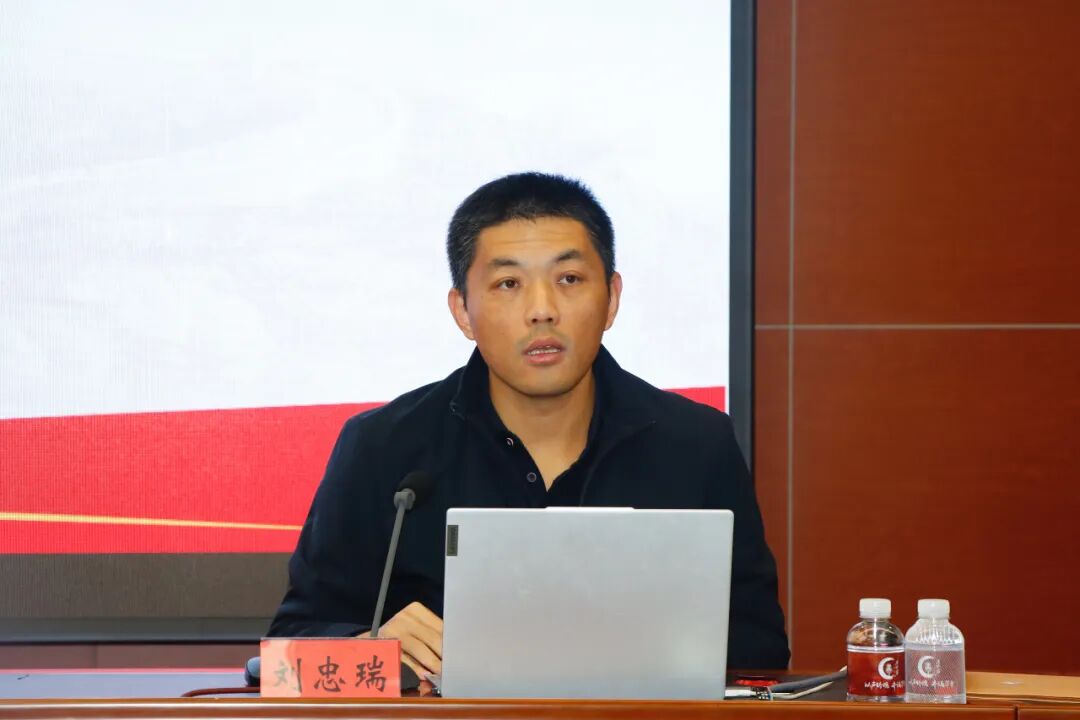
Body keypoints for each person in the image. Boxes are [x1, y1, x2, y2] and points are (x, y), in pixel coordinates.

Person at [268, 172, 790, 672]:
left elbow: (760, 648)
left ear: (611, 299)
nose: (542, 310)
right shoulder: (382, 447)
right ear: (463, 311)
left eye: (569, 279)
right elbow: (290, 648)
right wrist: (370, 650)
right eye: (508, 283)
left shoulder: (696, 445)